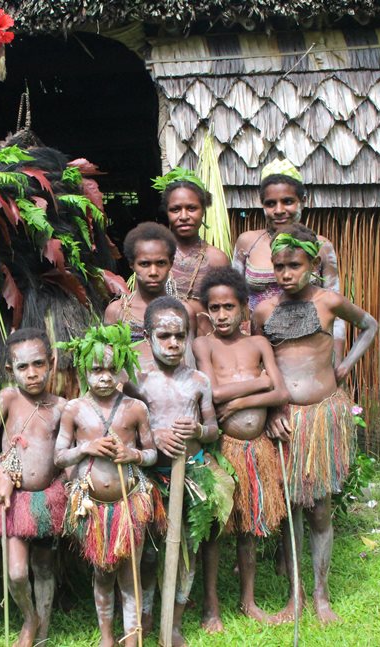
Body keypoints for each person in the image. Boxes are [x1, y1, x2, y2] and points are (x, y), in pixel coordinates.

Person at [253, 225, 378, 624]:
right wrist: (272, 412)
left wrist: (345, 366)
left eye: (294, 265)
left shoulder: (329, 302)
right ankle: (296, 596)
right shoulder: (264, 311)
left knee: (320, 509)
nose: (286, 273)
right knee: (290, 509)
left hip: (321, 417)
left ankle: (322, 596)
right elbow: (260, 363)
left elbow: (370, 325)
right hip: (285, 421)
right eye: (279, 266)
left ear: (313, 264)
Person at [133, 296, 233, 645]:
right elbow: (126, 422)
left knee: (187, 550)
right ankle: (145, 616)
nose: (174, 343)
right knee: (147, 551)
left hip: (191, 473)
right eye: (164, 336)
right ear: (148, 337)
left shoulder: (199, 381)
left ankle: (174, 623)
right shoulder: (139, 381)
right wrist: (153, 434)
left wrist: (198, 432)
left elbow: (213, 429)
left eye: (180, 336)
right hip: (151, 475)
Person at [192, 268, 289, 624]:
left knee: (249, 528)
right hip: (222, 448)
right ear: (206, 312)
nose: (221, 315)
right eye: (214, 308)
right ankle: (211, 605)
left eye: (228, 307)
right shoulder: (204, 344)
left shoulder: (259, 344)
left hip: (256, 449)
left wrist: (239, 404)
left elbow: (280, 392)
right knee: (216, 529)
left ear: (244, 309)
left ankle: (248, 601)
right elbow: (212, 392)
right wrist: (258, 383)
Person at [55, 323, 161, 647]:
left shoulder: (134, 408)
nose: (104, 376)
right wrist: (85, 448)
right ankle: (106, 637)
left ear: (122, 370)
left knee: (131, 571)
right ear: (84, 368)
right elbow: (59, 457)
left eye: (111, 369)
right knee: (102, 572)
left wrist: (133, 454)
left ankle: (132, 638)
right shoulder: (73, 409)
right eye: (96, 369)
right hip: (93, 507)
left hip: (130, 501)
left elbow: (153, 453)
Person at [0, 328, 67, 647]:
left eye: (39, 364)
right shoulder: (8, 398)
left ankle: (42, 630)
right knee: (16, 572)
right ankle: (29, 618)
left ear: (51, 363)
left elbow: (65, 453)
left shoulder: (61, 406)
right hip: (14, 498)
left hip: (48, 497)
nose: (32, 373)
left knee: (43, 566)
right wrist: (0, 474)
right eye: (23, 367)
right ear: (9, 370)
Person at [232, 160, 344, 358]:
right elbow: (234, 301)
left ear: (303, 201)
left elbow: (337, 313)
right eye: (270, 203)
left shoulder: (321, 247)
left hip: (310, 350)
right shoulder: (247, 243)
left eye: (288, 201)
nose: (279, 210)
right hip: (260, 347)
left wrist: (337, 363)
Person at [104, 222, 197, 373]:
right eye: (145, 264)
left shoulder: (183, 312)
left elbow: (189, 367)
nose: (153, 271)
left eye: (160, 263)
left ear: (171, 264)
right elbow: (109, 366)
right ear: (132, 265)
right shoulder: (117, 312)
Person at [154, 168, 230, 336]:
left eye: (191, 208)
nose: (184, 216)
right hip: (163, 344)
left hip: (206, 345)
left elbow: (228, 308)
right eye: (175, 209)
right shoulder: (154, 256)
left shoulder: (217, 259)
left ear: (203, 210)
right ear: (166, 212)